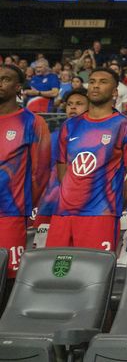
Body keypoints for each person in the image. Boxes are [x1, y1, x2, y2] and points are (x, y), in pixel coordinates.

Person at [48, 68, 127, 251]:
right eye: (92, 81)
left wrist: (112, 207)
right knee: (56, 275)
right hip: (63, 213)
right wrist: (69, 195)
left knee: (93, 276)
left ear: (115, 92)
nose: (96, 86)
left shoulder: (125, 125)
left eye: (102, 82)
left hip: (100, 216)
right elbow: (62, 164)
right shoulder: (70, 125)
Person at [0, 65, 50, 280]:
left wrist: (23, 205)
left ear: (18, 86)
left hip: (10, 212)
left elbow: (41, 172)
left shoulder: (32, 122)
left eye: (5, 79)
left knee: (9, 277)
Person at [34, 88, 89, 227]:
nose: (73, 107)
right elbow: (40, 171)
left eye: (79, 103)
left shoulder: (97, 137)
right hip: (49, 205)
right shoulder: (53, 137)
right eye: (69, 104)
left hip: (85, 207)